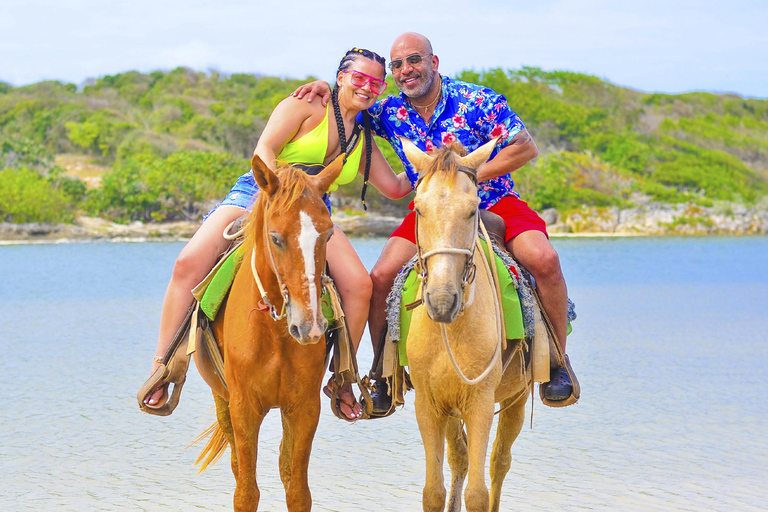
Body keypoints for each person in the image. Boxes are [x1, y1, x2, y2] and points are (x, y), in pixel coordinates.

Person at [292, 33, 578, 414]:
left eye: (414, 60)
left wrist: (466, 175)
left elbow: (525, 147)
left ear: (434, 62)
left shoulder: (478, 100)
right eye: (397, 66)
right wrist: (325, 88)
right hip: (428, 210)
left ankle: (557, 361)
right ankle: (384, 375)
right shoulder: (387, 111)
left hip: (493, 199)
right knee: (380, 278)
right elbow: (351, 100)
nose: (405, 71)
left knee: (543, 259)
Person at [141, 47, 412, 421]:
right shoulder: (304, 105)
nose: (367, 87)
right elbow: (265, 148)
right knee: (188, 262)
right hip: (260, 194)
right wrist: (272, 197)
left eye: (376, 82)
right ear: (341, 77)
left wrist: (435, 160)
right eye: (359, 78)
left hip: (313, 214)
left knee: (360, 285)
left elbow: (397, 188)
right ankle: (166, 366)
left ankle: (341, 378)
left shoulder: (362, 137)